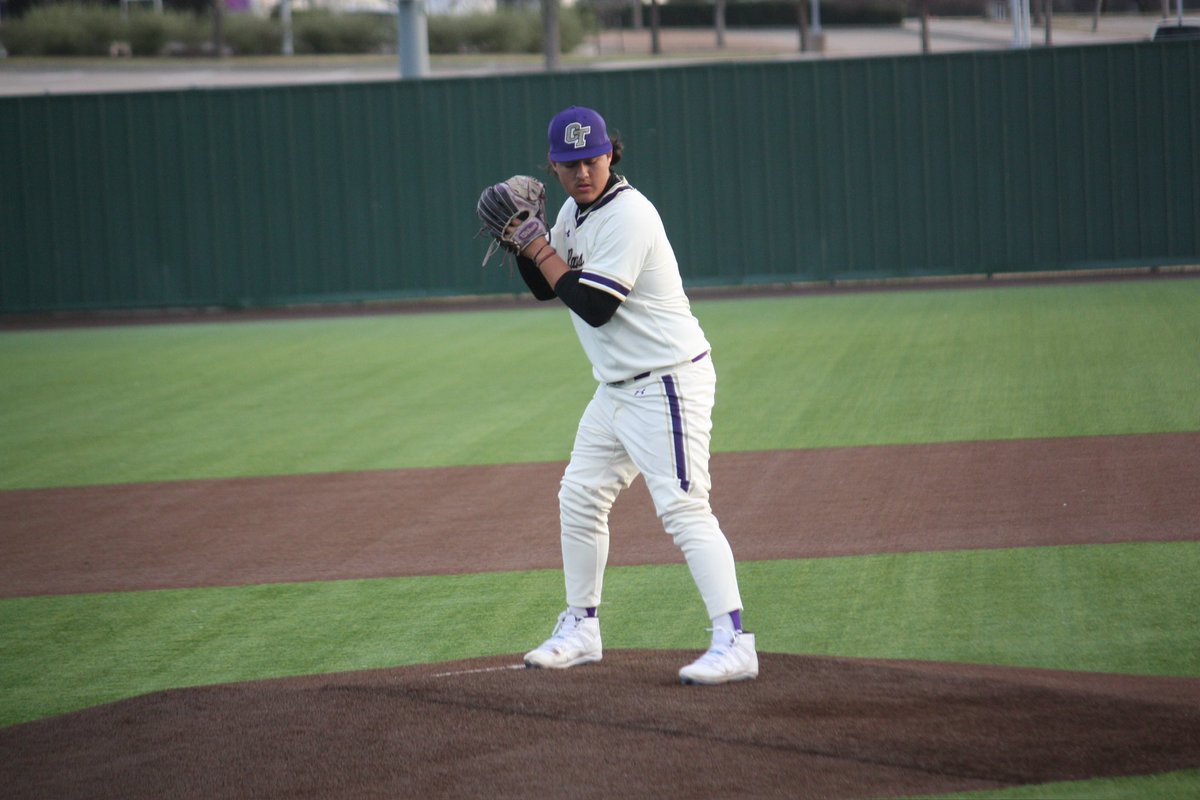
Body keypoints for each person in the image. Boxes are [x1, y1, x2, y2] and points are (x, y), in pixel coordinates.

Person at [514, 105, 757, 685]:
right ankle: (582, 627)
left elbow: (596, 307)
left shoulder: (630, 215)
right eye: (570, 164)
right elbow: (549, 292)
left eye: (592, 159)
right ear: (553, 166)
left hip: (667, 381)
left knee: (681, 507)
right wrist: (527, 245)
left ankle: (735, 640)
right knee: (578, 497)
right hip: (617, 389)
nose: (582, 172)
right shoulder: (573, 213)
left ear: (610, 154)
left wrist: (538, 247)